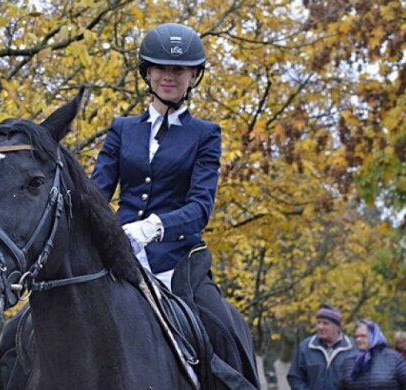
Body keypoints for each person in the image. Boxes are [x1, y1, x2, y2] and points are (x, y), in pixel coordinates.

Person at [91, 23, 259, 388]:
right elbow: (97, 191)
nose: (169, 76)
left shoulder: (205, 134)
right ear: (147, 72)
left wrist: (152, 227)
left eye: (178, 69)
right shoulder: (122, 129)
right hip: (118, 255)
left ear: (193, 76)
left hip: (177, 263)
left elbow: (200, 207)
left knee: (224, 330)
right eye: (161, 68)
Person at [287, 304, 356, 390]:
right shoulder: (305, 347)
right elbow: (295, 377)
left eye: (325, 323)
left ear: (337, 327)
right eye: (318, 322)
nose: (320, 327)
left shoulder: (353, 349)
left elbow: (360, 380)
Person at [336, 319, 406, 390]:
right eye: (356, 337)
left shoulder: (394, 358)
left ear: (374, 336)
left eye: (363, 336)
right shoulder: (349, 361)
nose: (358, 339)